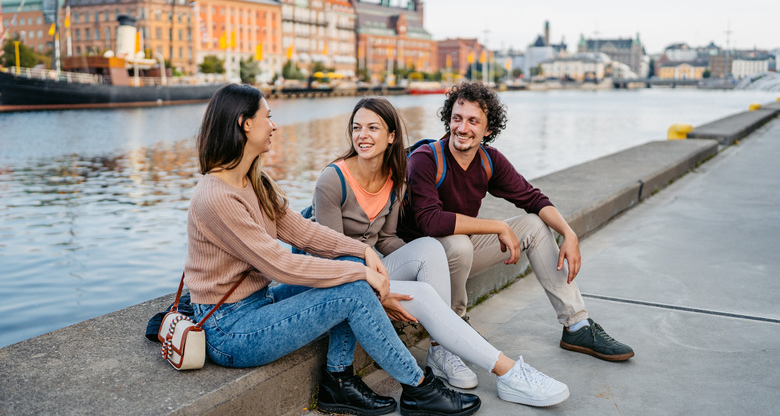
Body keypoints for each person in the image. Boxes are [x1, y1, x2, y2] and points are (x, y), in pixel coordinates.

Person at [185, 84, 481, 416]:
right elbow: (280, 265)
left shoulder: (255, 180)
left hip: (258, 303)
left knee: (348, 270)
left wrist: (361, 252)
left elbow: (302, 231)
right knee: (353, 289)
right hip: (229, 330)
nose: (274, 125)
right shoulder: (216, 197)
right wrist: (362, 271)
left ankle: (338, 381)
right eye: (267, 117)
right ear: (244, 124)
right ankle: (417, 387)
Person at [310, 97, 570, 407]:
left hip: (374, 269)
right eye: (356, 128)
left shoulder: (393, 179)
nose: (362, 135)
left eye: (372, 128)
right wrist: (382, 289)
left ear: (391, 136)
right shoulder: (332, 180)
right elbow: (330, 254)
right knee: (422, 293)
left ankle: (443, 348)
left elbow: (388, 239)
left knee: (432, 247)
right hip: (342, 276)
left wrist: (423, 267)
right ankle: (509, 373)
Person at [398, 81, 634, 362]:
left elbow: (532, 198)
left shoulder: (489, 160)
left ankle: (577, 324)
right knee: (459, 243)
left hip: (458, 255)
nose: (462, 128)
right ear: (448, 120)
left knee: (534, 225)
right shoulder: (426, 159)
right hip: (421, 261)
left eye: (473, 121)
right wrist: (498, 226)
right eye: (457, 119)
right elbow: (430, 222)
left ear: (488, 130)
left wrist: (569, 234)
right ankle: (453, 329)